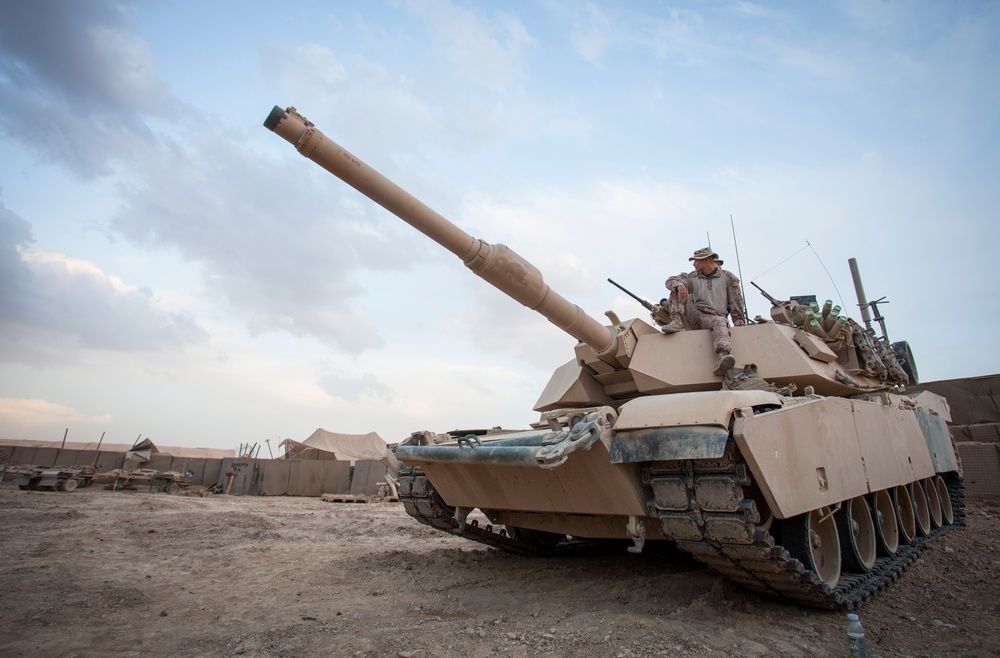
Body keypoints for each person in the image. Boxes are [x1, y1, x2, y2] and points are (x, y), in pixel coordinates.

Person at [662, 247, 746, 376]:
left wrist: (739, 321)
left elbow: (736, 301)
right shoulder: (693, 277)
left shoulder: (728, 278)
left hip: (714, 318)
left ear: (706, 260)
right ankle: (676, 321)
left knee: (719, 321)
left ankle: (723, 356)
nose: (694, 264)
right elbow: (670, 281)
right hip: (694, 315)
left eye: (696, 261)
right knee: (677, 287)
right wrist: (679, 286)